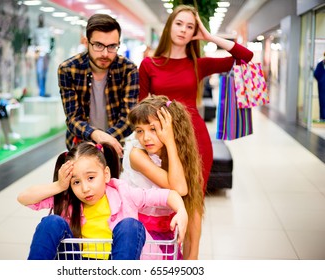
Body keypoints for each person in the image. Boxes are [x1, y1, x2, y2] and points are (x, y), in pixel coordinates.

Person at [138, 4, 253, 259]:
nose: (184, 30)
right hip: (160, 144)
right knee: (167, 201)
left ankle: (192, 262)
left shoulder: (198, 64)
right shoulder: (149, 64)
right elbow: (140, 110)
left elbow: (246, 57)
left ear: (195, 33)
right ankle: (168, 256)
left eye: (190, 26)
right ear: (169, 26)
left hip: (195, 141)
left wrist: (210, 37)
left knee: (194, 205)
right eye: (179, 23)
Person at [17, 141, 188, 260]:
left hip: (115, 261)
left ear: (106, 174)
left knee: (131, 225)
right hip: (77, 263)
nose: (84, 188)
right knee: (51, 222)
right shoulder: (68, 200)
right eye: (76, 182)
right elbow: (23, 198)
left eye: (91, 178)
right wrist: (59, 186)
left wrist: (181, 212)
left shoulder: (124, 193)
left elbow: (167, 195)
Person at [120, 95, 203, 260]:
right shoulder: (137, 154)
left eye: (153, 129)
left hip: (165, 228)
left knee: (195, 211)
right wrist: (170, 140)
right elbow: (179, 188)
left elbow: (186, 193)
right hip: (141, 231)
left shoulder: (177, 153)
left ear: (169, 128)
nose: (146, 137)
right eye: (139, 131)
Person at [57, 14, 139, 157]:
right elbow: (73, 118)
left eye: (112, 46)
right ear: (86, 42)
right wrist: (96, 136)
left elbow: (128, 118)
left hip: (115, 146)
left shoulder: (128, 69)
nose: (105, 54)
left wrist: (104, 141)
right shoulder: (68, 69)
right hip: (80, 147)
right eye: (99, 45)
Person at [30, 13, 54, 97]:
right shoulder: (35, 30)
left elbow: (52, 41)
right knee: (39, 73)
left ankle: (43, 91)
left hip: (46, 54)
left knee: (44, 73)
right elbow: (31, 41)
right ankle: (40, 92)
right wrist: (34, 50)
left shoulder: (47, 30)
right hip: (38, 54)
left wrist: (49, 51)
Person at [314, 52, 325, 121]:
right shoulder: (320, 64)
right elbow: (315, 74)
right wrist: (321, 80)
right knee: (322, 102)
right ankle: (323, 117)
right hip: (322, 87)